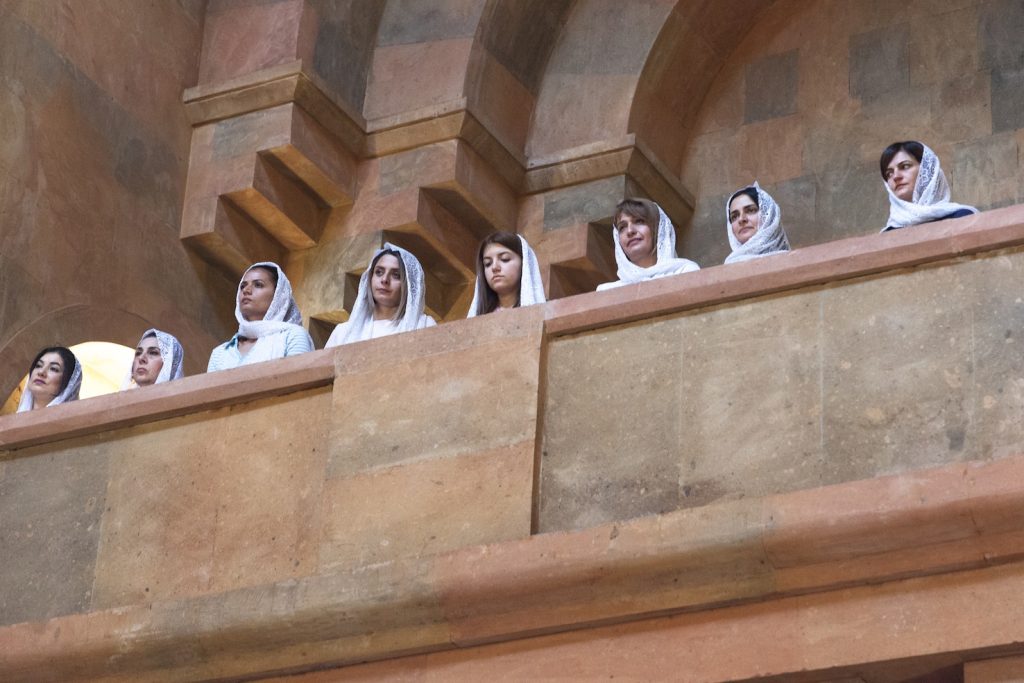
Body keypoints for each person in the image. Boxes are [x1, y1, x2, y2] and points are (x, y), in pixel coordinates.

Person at [207, 261, 313, 371]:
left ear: (278, 295)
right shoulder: (220, 353)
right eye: (243, 286)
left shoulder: (293, 336)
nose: (246, 290)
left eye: (258, 285)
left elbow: (298, 378)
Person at [326, 243, 436, 346]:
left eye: (396, 275)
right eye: (379, 272)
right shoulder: (343, 333)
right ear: (370, 278)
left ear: (408, 285)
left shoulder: (424, 325)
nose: (384, 279)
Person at [596, 198, 699, 291]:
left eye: (639, 221)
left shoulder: (685, 272)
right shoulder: (606, 291)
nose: (630, 231)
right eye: (622, 227)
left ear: (657, 229)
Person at [880, 141, 977, 232]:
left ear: (927, 170)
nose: (895, 176)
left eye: (905, 166)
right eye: (889, 173)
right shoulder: (887, 234)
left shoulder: (963, 217)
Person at [467, 232, 546, 317]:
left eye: (505, 259)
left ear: (524, 263)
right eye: (488, 263)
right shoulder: (477, 317)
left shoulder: (546, 312)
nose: (494, 267)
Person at [724, 182, 790, 263]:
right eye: (734, 216)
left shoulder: (791, 261)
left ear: (769, 216)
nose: (741, 219)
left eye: (750, 210)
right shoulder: (729, 266)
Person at [17, 346, 82, 412]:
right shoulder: (15, 417)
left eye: (53, 369)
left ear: (69, 383)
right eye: (38, 365)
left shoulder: (77, 417)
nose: (41, 372)